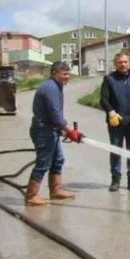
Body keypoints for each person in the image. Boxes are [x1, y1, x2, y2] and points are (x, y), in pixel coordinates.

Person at [27, 61, 83, 206]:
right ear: (54, 74)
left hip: (51, 130)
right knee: (43, 163)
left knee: (57, 160)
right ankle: (31, 196)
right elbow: (55, 115)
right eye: (64, 74)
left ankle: (56, 191)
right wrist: (70, 131)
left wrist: (63, 130)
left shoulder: (55, 86)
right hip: (43, 131)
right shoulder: (50, 88)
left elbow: (56, 116)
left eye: (68, 74)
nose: (67, 77)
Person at [99, 52, 130, 192]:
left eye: (125, 62)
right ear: (115, 64)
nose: (123, 64)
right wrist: (111, 112)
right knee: (115, 151)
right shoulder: (109, 79)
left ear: (129, 63)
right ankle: (115, 180)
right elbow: (103, 99)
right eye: (120, 62)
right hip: (116, 123)